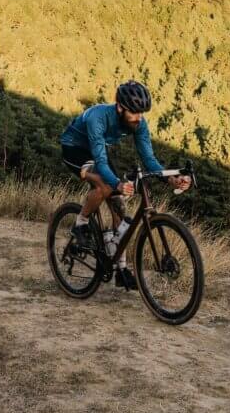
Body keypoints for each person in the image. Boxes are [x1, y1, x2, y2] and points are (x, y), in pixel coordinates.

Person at [60, 80, 191, 290]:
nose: (138, 117)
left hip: (97, 150)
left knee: (119, 205)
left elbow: (149, 159)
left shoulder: (139, 123)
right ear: (120, 107)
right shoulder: (98, 118)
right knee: (105, 186)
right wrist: (116, 184)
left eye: (142, 112)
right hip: (74, 148)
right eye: (134, 112)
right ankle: (80, 224)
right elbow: (101, 162)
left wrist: (170, 178)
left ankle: (120, 269)